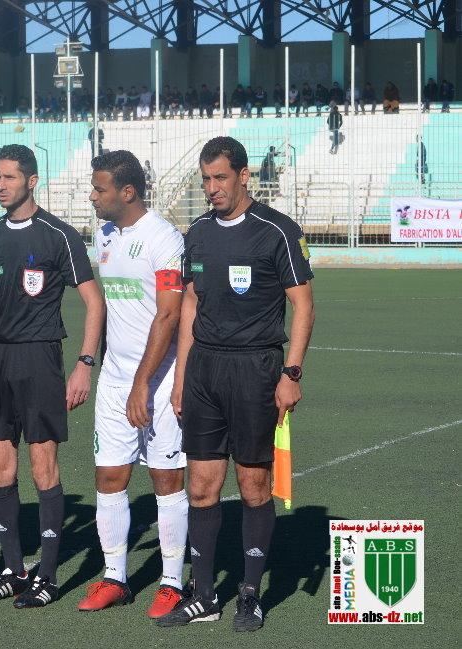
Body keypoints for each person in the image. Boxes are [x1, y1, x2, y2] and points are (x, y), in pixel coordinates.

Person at [157, 136, 314, 632]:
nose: (211, 188)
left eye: (220, 178)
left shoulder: (278, 231)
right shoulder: (199, 232)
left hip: (255, 370)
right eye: (206, 179)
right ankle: (204, 594)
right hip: (204, 370)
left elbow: (303, 305)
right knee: (202, 486)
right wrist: (181, 377)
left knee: (253, 484)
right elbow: (190, 303)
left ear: (244, 176)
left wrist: (291, 373)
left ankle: (250, 593)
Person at [0, 144, 105, 608]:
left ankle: (49, 576)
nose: (0, 185)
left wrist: (84, 364)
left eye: (9, 177)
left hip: (40, 358)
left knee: (43, 464)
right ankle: (14, 568)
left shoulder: (59, 235)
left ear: (32, 181)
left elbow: (94, 302)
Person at [77, 150, 187, 618]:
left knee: (165, 478)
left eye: (99, 188)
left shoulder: (165, 238)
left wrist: (143, 383)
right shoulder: (104, 234)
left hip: (158, 380)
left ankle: (172, 582)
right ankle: (115, 577)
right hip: (115, 377)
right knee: (109, 476)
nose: (92, 196)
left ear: (127, 192)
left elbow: (168, 314)